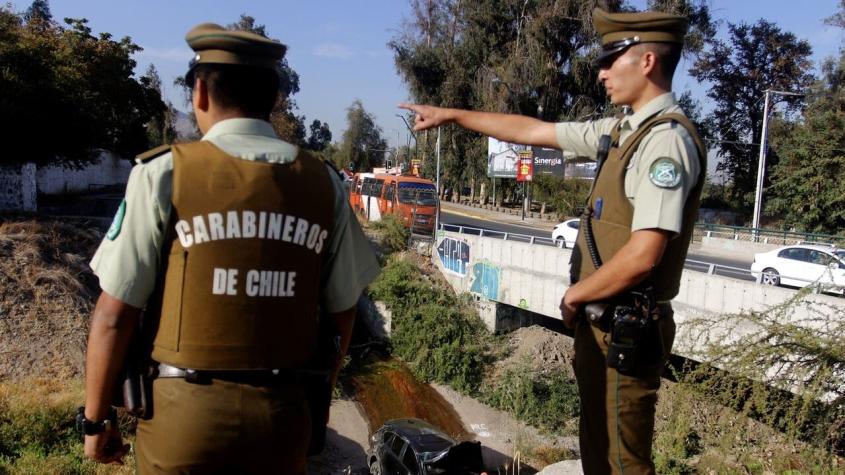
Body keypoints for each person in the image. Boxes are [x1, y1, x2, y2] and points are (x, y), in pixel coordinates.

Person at [400, 8, 705, 474]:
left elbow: (644, 256)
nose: (601, 72)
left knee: (623, 463)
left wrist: (574, 295)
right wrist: (453, 115)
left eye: (612, 59)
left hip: (626, 327)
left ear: (646, 61)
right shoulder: (623, 131)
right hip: (604, 322)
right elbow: (534, 131)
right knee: (599, 452)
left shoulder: (665, 142)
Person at [80, 23, 380, 474]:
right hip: (282, 423)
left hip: (182, 424)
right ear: (276, 97)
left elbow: (114, 315)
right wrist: (312, 402)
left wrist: (95, 420)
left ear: (200, 92)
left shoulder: (163, 174)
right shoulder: (325, 185)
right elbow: (342, 316)